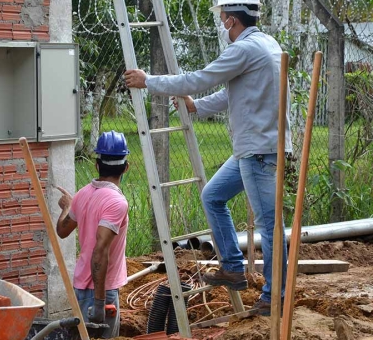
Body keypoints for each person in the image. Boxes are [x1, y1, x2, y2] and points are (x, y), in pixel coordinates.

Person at [123, 0, 292, 316]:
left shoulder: (243, 50)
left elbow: (197, 80)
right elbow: (233, 93)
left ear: (231, 21)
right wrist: (196, 107)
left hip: (258, 151)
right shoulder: (264, 43)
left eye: (223, 19)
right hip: (253, 148)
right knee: (213, 195)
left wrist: (149, 81)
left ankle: (273, 298)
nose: (221, 24)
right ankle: (232, 267)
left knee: (270, 226)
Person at [55, 130, 130, 338]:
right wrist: (100, 302)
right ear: (126, 167)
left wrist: (66, 208)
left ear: (97, 165)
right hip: (101, 292)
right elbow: (100, 250)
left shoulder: (82, 194)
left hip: (81, 288)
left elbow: (62, 231)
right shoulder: (117, 202)